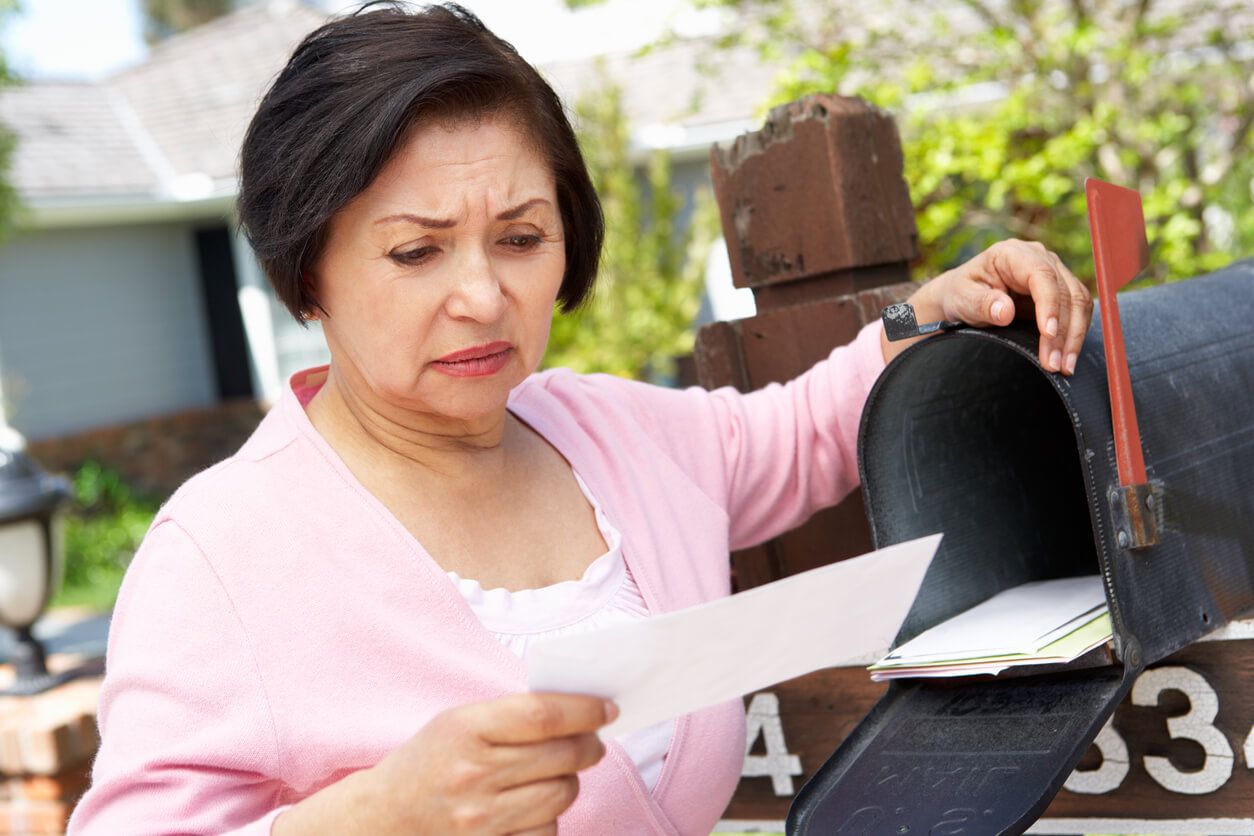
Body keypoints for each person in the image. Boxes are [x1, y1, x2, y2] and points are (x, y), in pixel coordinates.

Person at [67, 4, 1092, 834]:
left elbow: (801, 433)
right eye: (416, 251)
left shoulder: (613, 432)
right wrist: (378, 815)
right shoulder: (223, 550)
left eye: (519, 236)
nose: (481, 293)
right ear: (307, 272)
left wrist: (932, 316)